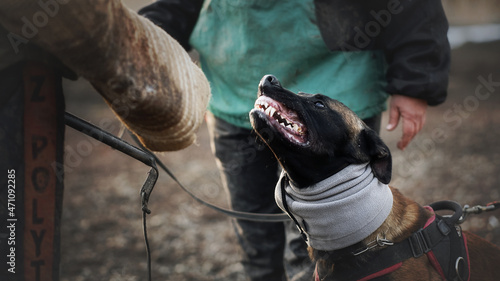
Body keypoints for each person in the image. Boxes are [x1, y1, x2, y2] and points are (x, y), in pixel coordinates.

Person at [139, 1, 450, 280]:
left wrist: (415, 79)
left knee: (325, 254)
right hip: (235, 89)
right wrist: (134, 45)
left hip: (336, 92)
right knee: (257, 241)